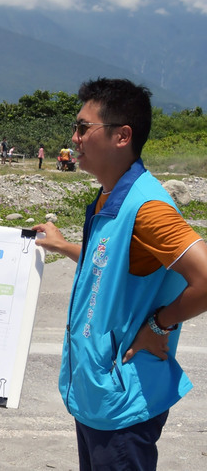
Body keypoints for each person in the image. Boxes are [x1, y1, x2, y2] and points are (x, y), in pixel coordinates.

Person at [32, 78, 207, 470]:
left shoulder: (148, 208)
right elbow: (109, 263)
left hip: (123, 398)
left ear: (121, 136)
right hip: (99, 391)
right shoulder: (111, 197)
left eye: (82, 128)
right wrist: (63, 246)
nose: (74, 139)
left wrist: (159, 326)